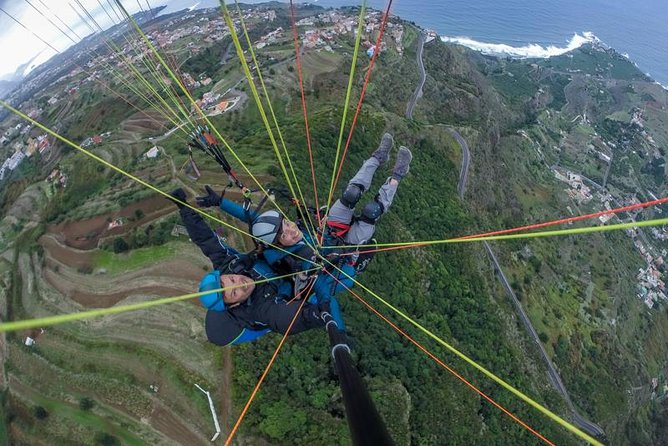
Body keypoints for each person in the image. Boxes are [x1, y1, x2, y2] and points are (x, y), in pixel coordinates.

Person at [195, 132, 412, 274]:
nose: (290, 231)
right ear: (278, 244)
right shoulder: (289, 258)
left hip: (328, 227)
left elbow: (252, 217)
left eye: (287, 225)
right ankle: (398, 175)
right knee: (371, 211)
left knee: (351, 193)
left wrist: (220, 202)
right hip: (345, 249)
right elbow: (312, 271)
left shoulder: (281, 232)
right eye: (284, 235)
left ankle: (377, 157)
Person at [168, 188, 353, 346]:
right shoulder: (259, 309)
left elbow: (206, 239)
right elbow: (284, 318)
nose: (240, 283)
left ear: (225, 274)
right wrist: (330, 325)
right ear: (236, 304)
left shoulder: (229, 264)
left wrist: (184, 207)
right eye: (235, 293)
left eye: (232, 279)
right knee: (348, 275)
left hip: (280, 266)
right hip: (294, 287)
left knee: (272, 242)